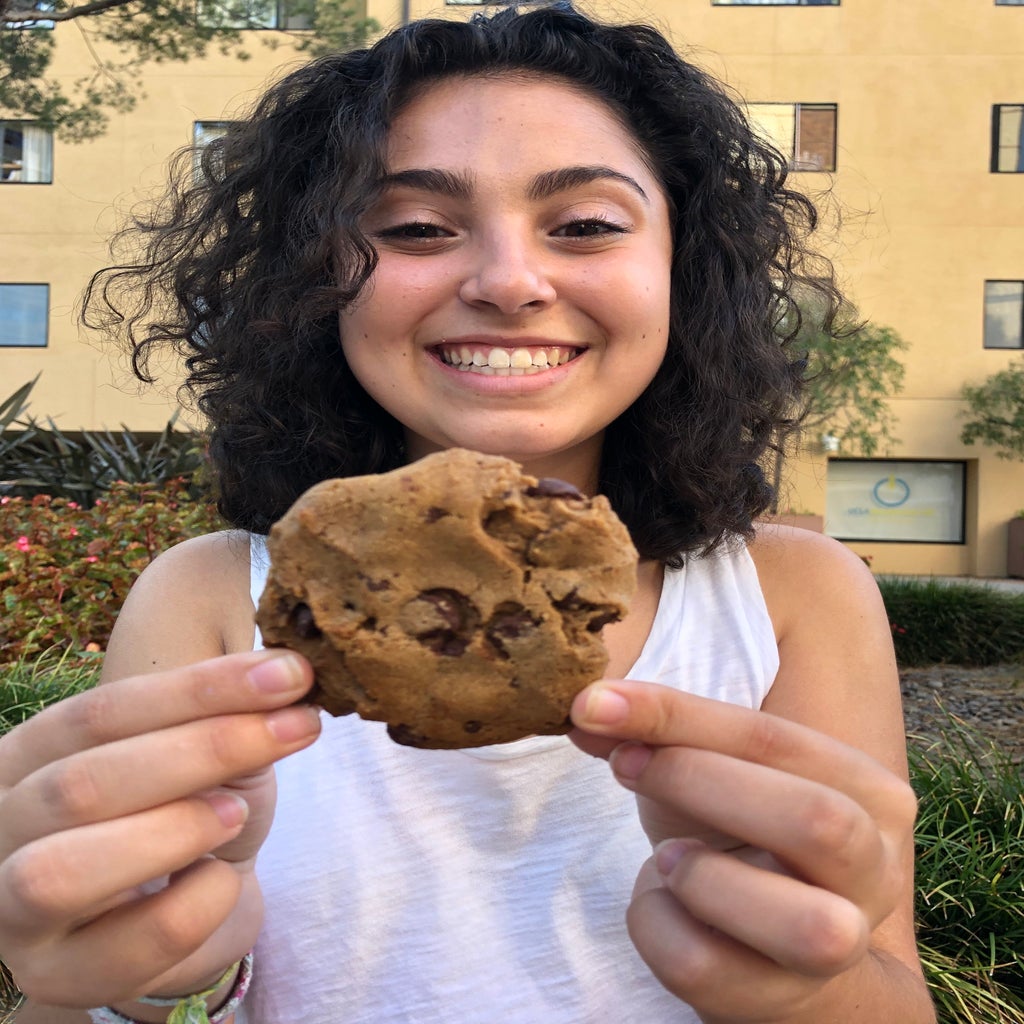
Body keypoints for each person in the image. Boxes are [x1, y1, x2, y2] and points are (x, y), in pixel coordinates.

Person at [0, 3, 936, 1022]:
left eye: (583, 224)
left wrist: (817, 981)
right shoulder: (214, 598)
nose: (507, 282)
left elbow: (889, 991)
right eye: (414, 228)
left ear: (683, 269)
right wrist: (157, 974)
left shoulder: (794, 595)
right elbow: (99, 996)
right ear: (318, 278)